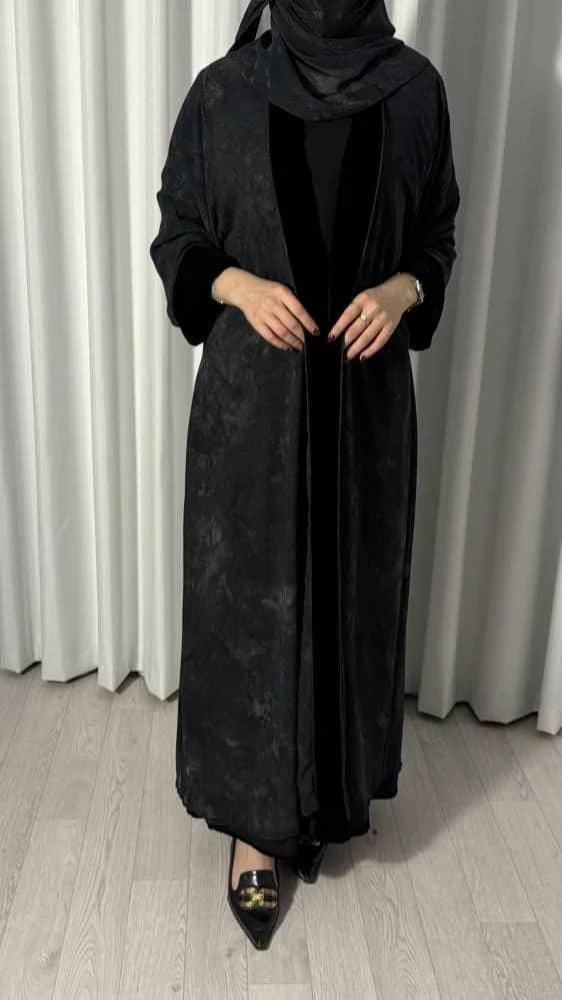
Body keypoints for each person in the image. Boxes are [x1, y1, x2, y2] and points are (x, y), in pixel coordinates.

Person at [150, 0, 460, 950]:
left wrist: (402, 288)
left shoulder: (415, 92)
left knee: (349, 598)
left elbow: (437, 233)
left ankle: (325, 797)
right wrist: (237, 285)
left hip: (365, 416)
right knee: (252, 606)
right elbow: (178, 230)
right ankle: (254, 825)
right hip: (252, 418)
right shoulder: (225, 92)